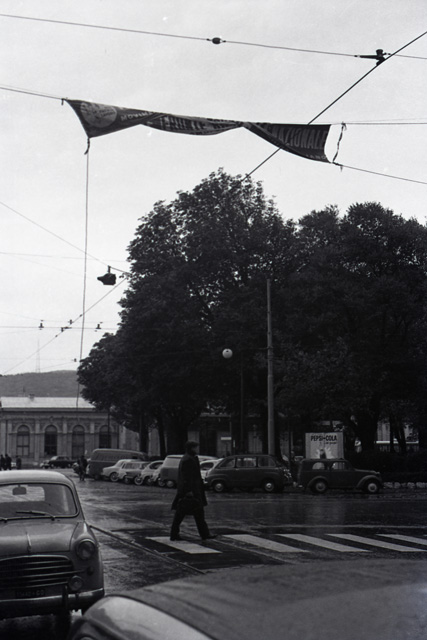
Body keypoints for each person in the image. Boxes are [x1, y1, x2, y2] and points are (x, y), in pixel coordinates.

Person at [170, 440, 215, 542]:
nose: (197, 449)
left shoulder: (190, 458)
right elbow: (186, 477)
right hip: (191, 491)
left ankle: (204, 534)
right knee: (182, 514)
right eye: (196, 447)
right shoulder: (188, 460)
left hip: (193, 490)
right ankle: (175, 534)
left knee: (195, 513)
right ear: (192, 448)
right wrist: (189, 490)